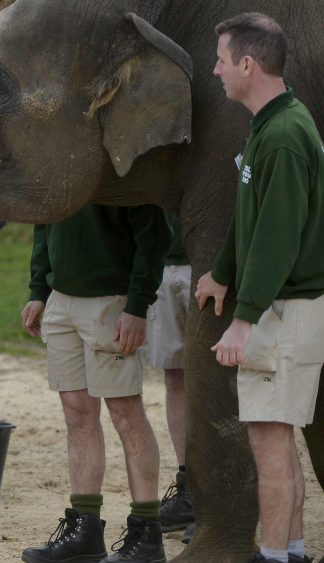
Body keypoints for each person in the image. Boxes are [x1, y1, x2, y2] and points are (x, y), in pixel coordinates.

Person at [196, 12, 323, 563]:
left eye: (221, 60)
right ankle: (291, 551)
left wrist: (244, 320)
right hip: (277, 306)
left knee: (269, 446)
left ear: (248, 64)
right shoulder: (270, 124)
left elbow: (277, 237)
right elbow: (250, 216)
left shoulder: (287, 136)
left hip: (283, 309)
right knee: (279, 439)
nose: (216, 69)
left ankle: (274, 556)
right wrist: (222, 271)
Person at [21, 203, 173, 563]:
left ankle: (147, 533)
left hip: (113, 301)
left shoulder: (123, 163)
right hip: (61, 301)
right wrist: (39, 289)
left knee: (125, 412)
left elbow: (155, 235)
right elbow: (45, 221)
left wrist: (137, 304)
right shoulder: (56, 157)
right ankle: (85, 530)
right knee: (76, 412)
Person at [148, 213, 195, 541]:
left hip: (209, 258)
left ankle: (222, 493)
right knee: (174, 374)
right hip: (163, 259)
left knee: (220, 379)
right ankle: (190, 489)